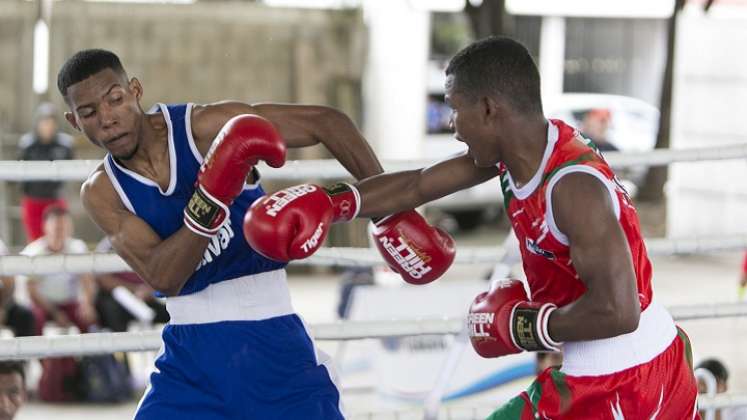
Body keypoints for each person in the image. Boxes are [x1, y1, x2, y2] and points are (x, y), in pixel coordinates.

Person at [249, 36, 700, 418]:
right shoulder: (518, 151)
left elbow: (621, 312)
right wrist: (335, 203)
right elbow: (419, 184)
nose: (452, 125)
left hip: (625, 380)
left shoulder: (572, 189)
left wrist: (524, 326)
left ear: (488, 109)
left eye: (455, 108)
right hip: (620, 369)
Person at [58, 48, 454, 419]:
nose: (107, 118)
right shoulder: (103, 191)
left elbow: (327, 122)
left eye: (115, 100)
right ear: (74, 121)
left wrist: (389, 215)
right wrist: (212, 195)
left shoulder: (204, 127)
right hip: (188, 356)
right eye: (89, 112)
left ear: (135, 91)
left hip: (268, 335)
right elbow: (165, 276)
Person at [21, 205, 97, 335]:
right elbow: (32, 292)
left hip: (69, 302)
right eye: (57, 227)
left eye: (65, 227)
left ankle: (89, 355)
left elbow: (87, 280)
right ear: (46, 227)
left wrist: (86, 304)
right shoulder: (34, 252)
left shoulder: (78, 247)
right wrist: (56, 313)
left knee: (88, 317)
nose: (61, 231)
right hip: (42, 304)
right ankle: (40, 355)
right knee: (34, 319)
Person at [18, 102, 74, 242]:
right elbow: (19, 174)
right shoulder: (27, 145)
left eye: (51, 122)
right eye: (44, 122)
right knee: (37, 243)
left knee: (59, 241)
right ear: (38, 123)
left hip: (55, 200)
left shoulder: (65, 145)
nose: (48, 126)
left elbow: (70, 170)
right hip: (33, 200)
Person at [93, 237, 169, 332]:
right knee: (110, 307)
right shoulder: (108, 245)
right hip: (119, 296)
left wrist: (149, 290)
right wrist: (134, 289)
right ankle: (121, 342)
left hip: (150, 293)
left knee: (169, 307)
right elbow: (102, 278)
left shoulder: (152, 238)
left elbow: (166, 272)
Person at [0, 240, 35, 338]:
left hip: (3, 303)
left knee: (25, 316)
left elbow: (9, 280)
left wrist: (2, 308)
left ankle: (28, 352)